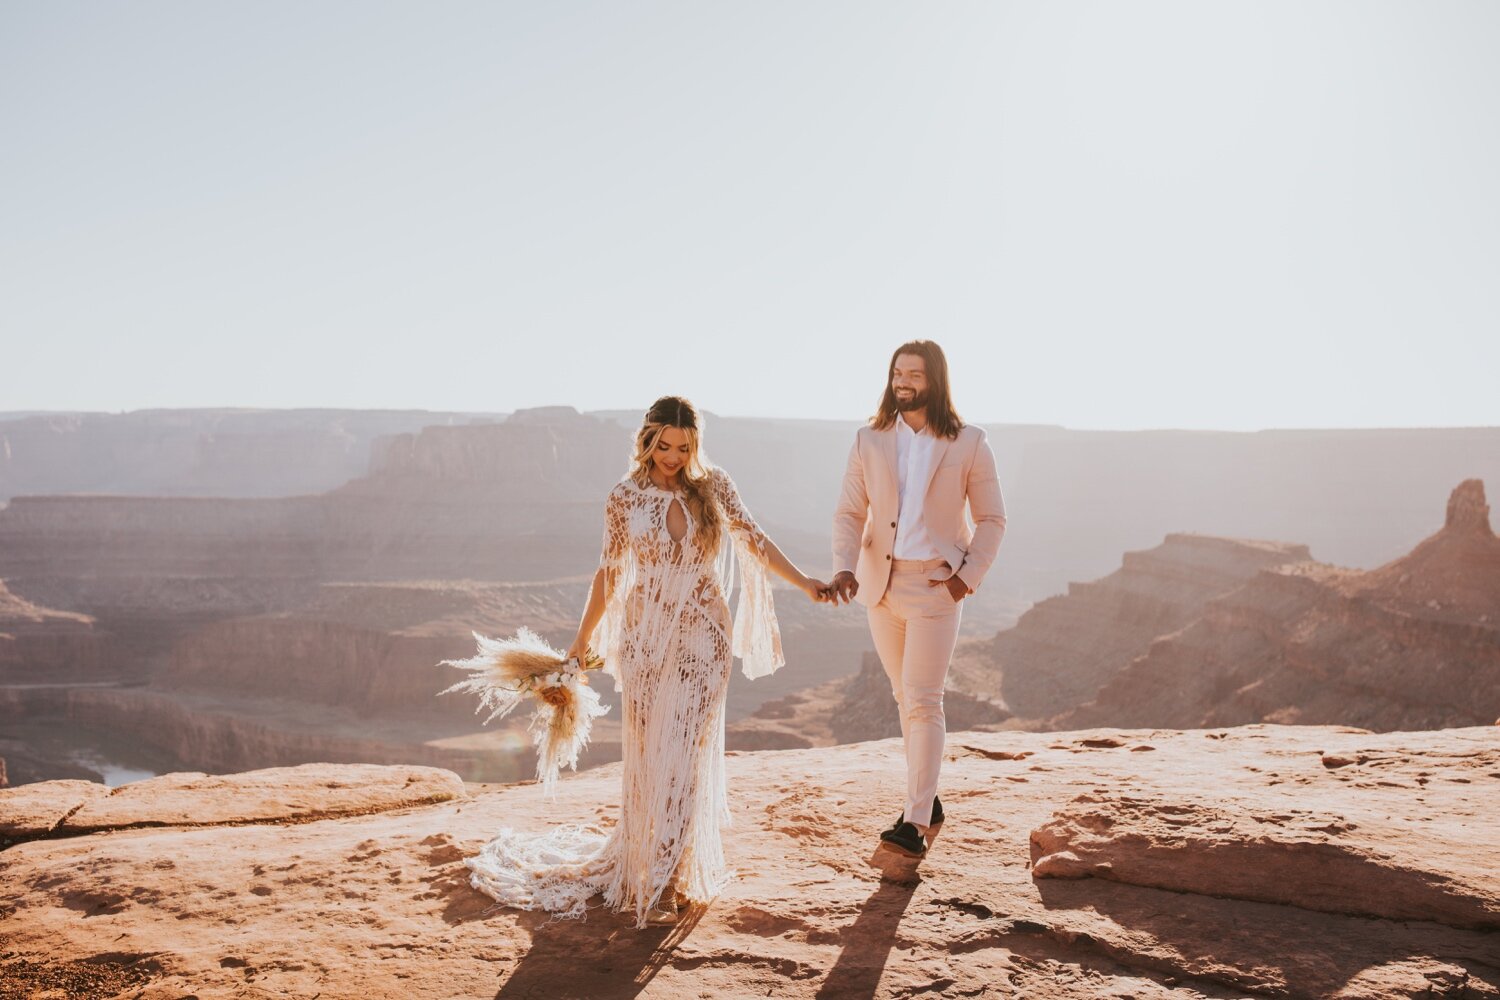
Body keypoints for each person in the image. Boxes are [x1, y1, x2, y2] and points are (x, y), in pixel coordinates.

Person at [464, 395, 830, 926]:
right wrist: (577, 646)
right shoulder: (623, 497)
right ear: (648, 440)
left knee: (682, 755)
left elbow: (755, 541)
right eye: (665, 445)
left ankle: (664, 881)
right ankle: (652, 865)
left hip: (703, 636)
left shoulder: (715, 486)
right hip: (644, 640)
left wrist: (808, 584)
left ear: (695, 444)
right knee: (652, 759)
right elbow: (609, 573)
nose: (674, 456)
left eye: (684, 447)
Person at [828, 341, 1007, 859]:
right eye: (897, 372)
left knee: (925, 699)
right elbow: (848, 512)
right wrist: (844, 566)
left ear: (934, 380)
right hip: (880, 589)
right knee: (905, 699)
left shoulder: (968, 442)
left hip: (935, 587)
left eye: (914, 373)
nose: (903, 380)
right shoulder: (869, 439)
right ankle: (929, 801)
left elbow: (993, 518)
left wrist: (965, 579)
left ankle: (912, 824)